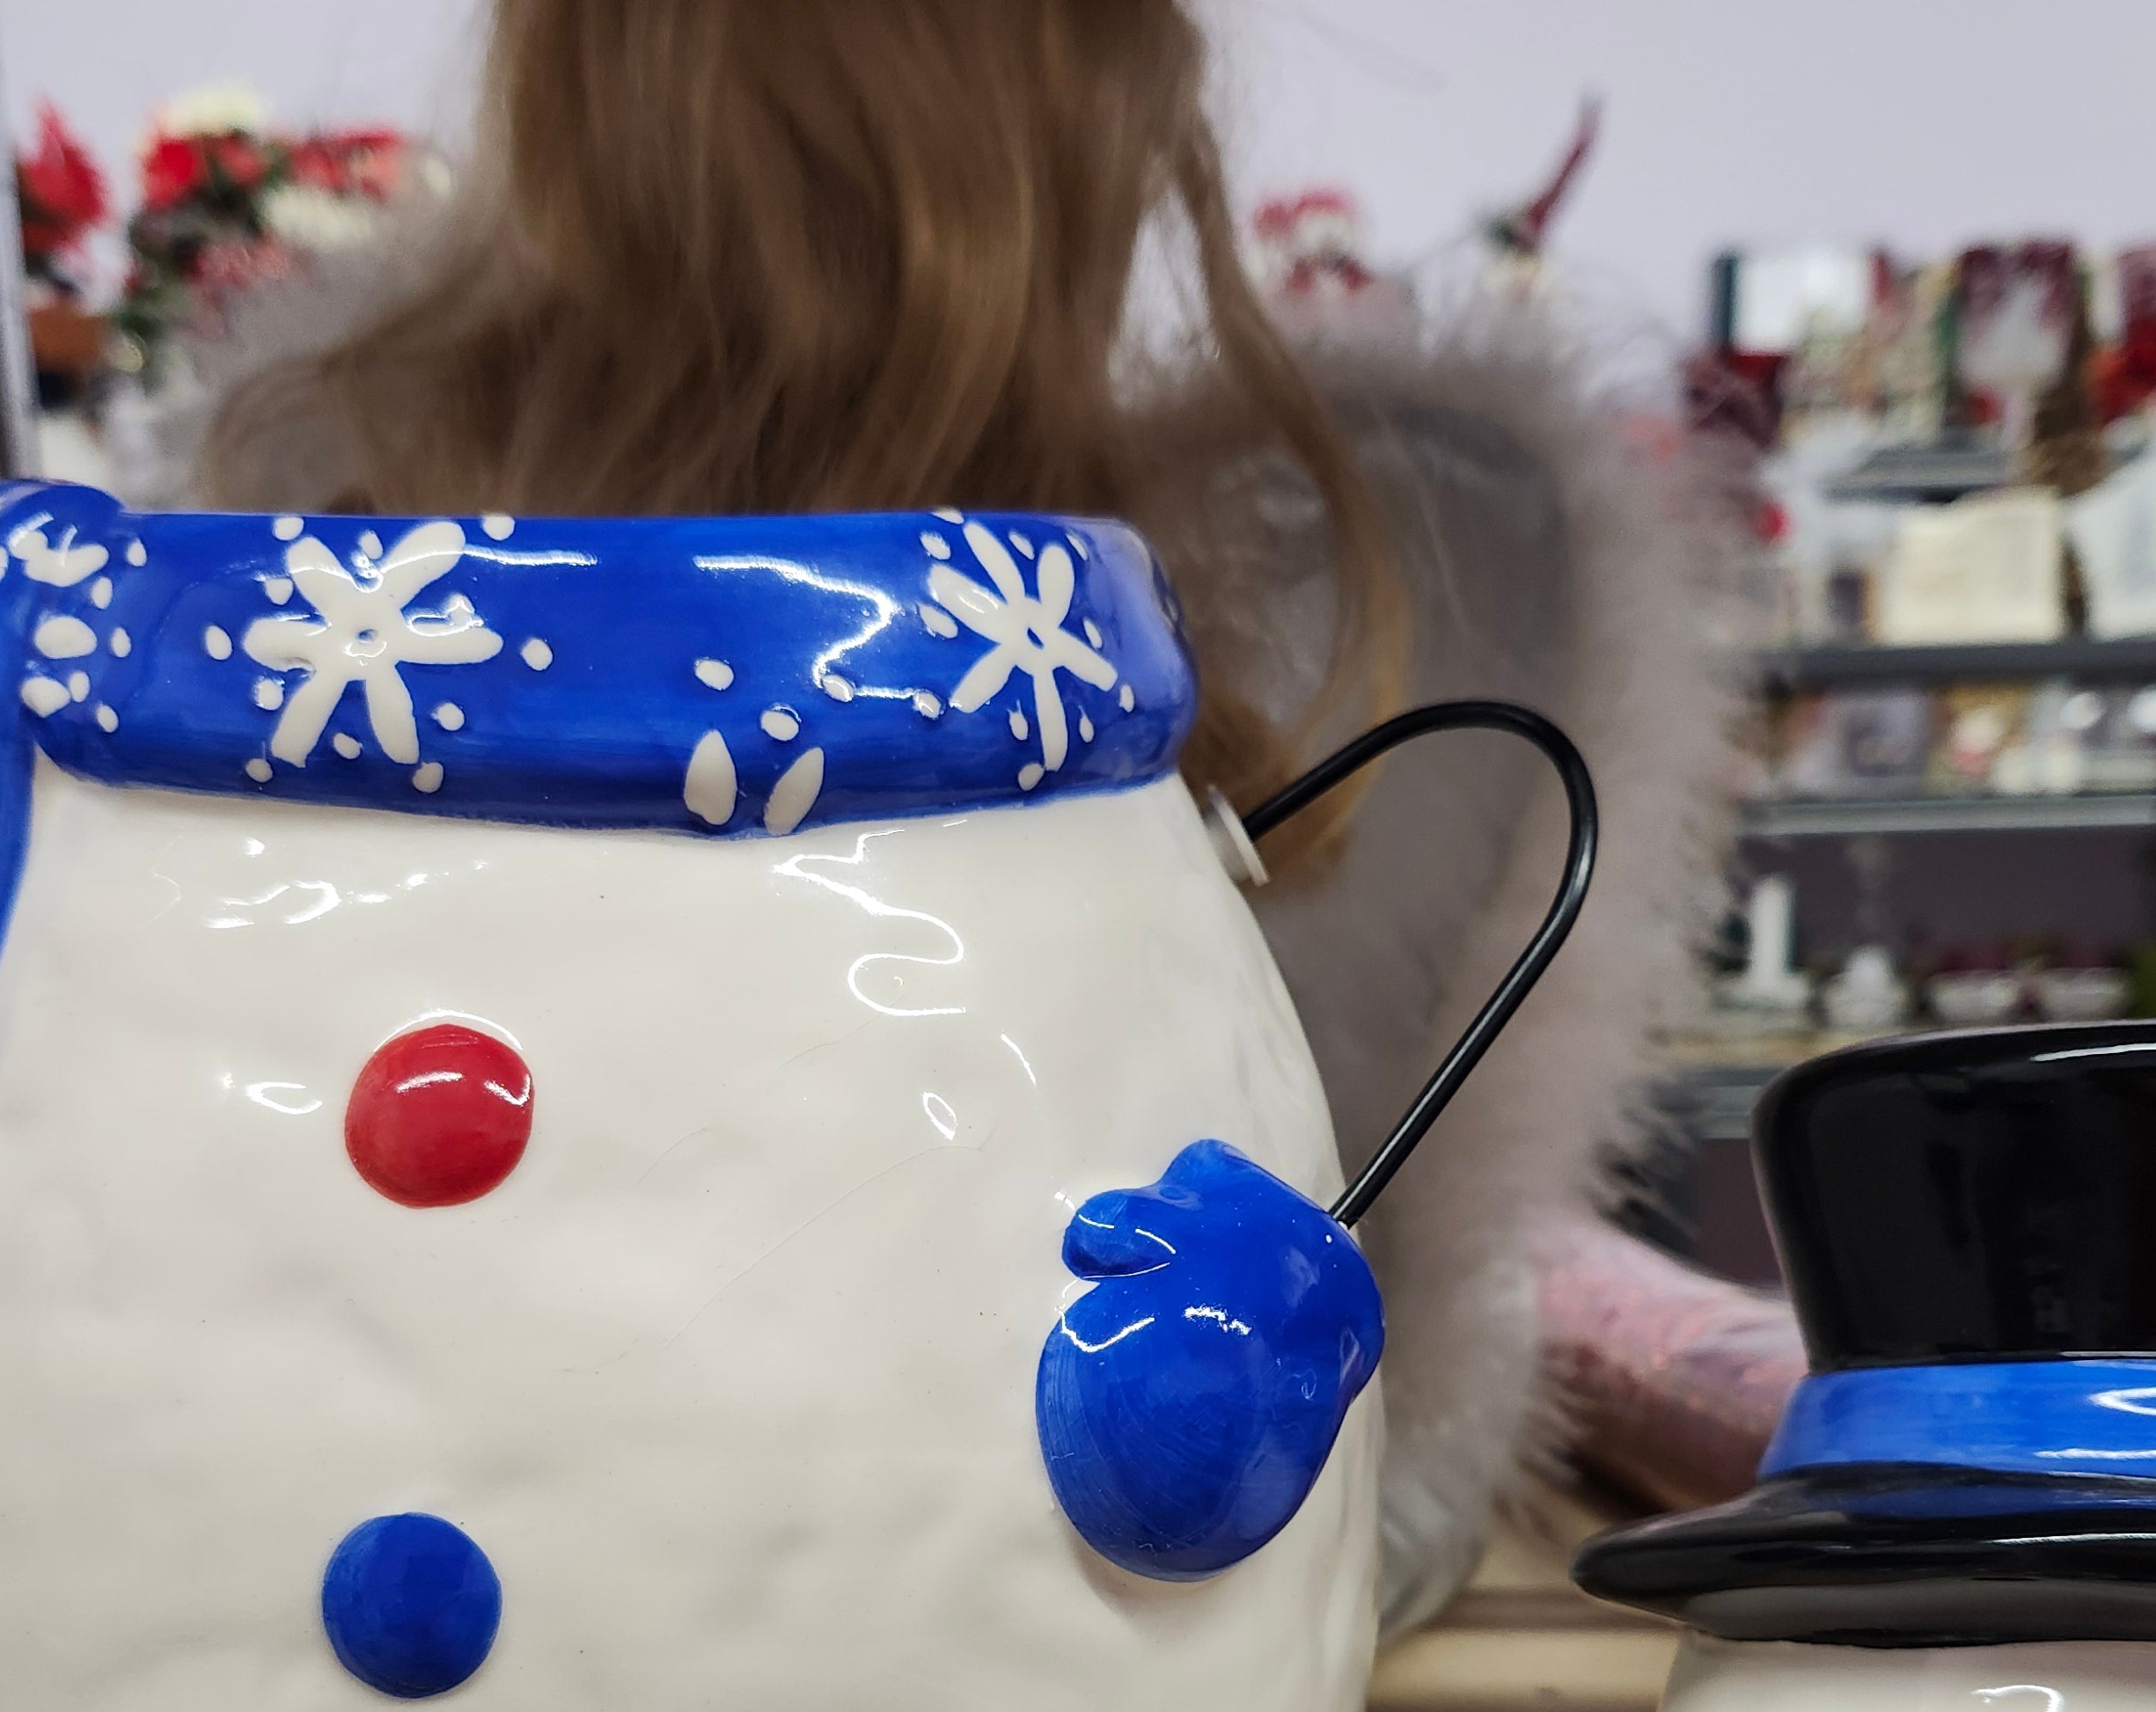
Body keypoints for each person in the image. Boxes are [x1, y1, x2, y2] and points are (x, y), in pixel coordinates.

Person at [194, 0, 1749, 1629]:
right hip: (1113, 1668)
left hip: (407, 1608)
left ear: (555, 90)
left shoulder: (311, 552)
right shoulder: (1402, 576)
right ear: (1115, 126)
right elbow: (1355, 1425)